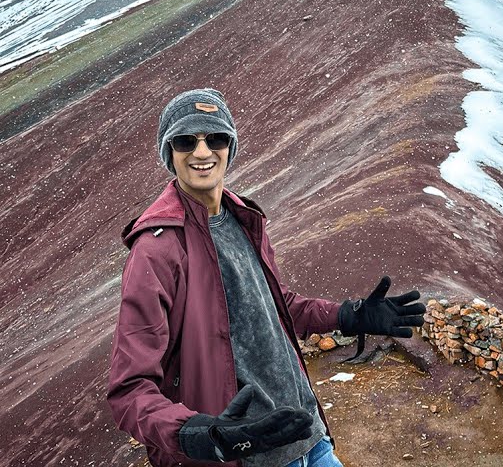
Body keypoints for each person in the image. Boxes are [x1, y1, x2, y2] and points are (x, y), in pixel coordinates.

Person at [107, 89, 426, 467]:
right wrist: (204, 435)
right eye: (186, 141)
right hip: (248, 459)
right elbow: (130, 389)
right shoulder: (157, 250)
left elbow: (275, 308)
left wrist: (347, 315)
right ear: (169, 152)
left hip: (310, 440)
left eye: (215, 138)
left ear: (230, 146)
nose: (202, 152)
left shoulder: (243, 219)